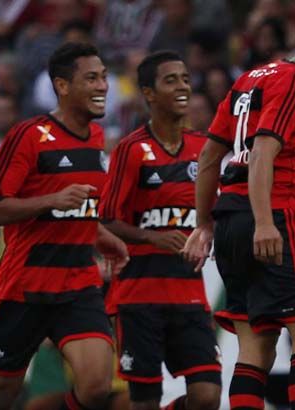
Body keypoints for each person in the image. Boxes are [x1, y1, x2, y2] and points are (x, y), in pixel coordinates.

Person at [182, 5, 295, 409]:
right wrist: (265, 222)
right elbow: (264, 150)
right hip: (275, 217)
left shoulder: (251, 77)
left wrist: (205, 223)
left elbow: (210, 155)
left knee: (255, 345)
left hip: (229, 222)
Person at [0, 42, 129, 410]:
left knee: (96, 387)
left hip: (78, 283)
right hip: (25, 286)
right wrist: (50, 199)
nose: (103, 86)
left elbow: (79, 210)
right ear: (62, 85)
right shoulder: (27, 136)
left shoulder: (97, 139)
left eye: (104, 77)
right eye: (91, 78)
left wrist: (102, 236)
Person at [99, 50, 221, 410]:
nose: (183, 86)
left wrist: (208, 233)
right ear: (148, 94)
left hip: (189, 295)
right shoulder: (131, 150)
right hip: (139, 296)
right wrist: (153, 237)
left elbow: (210, 216)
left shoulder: (204, 150)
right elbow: (106, 219)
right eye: (171, 80)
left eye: (185, 79)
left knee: (207, 396)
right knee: (144, 401)